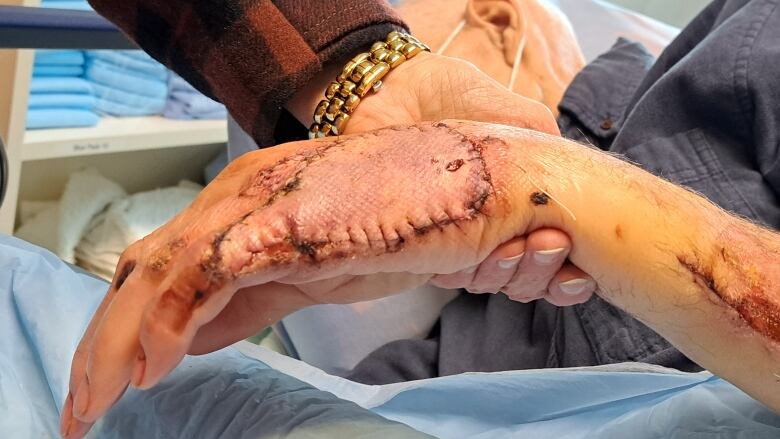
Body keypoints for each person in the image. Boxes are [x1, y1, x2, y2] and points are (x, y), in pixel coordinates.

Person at [60, 0, 780, 438]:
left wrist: (522, 177)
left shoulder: (741, 55)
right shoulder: (435, 351)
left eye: (399, 14)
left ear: (498, 17)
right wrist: (361, 81)